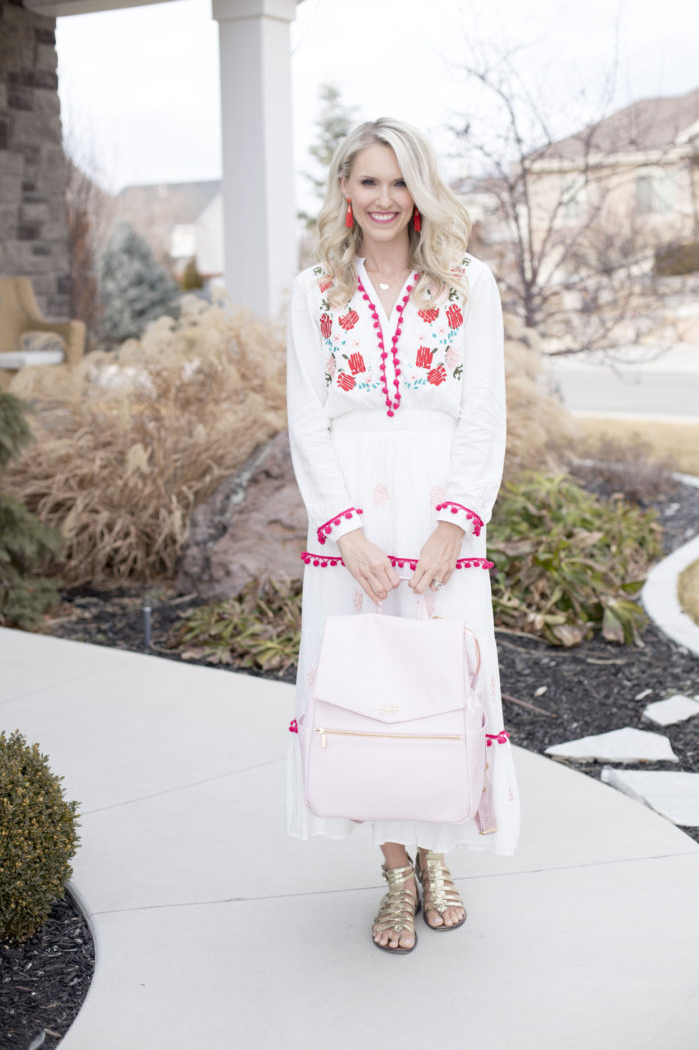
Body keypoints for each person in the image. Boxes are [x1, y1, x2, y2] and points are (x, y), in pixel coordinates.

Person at [286, 117, 520, 954]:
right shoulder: (318, 289)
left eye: (398, 182)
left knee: (440, 692)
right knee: (367, 694)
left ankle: (439, 857)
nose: (383, 200)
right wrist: (342, 528)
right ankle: (395, 875)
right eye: (367, 182)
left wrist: (456, 521)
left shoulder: (468, 284)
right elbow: (306, 416)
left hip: (438, 514)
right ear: (345, 190)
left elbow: (485, 410)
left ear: (420, 189)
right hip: (351, 517)